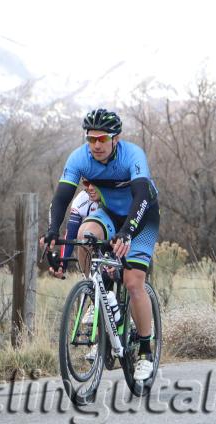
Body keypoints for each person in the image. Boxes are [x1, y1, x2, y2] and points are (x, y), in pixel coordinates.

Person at [40, 108, 159, 381]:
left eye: (102, 139)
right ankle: (99, 293)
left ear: (115, 139)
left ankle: (144, 350)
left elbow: (141, 196)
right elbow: (61, 198)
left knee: (133, 281)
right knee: (86, 233)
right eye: (91, 138)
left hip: (142, 217)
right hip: (109, 213)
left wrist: (127, 232)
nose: (96, 145)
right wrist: (51, 231)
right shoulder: (80, 157)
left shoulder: (133, 155)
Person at [47, 179, 100, 279]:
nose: (90, 188)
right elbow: (71, 234)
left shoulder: (113, 197)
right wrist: (62, 265)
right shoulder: (81, 200)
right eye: (87, 184)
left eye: (95, 183)